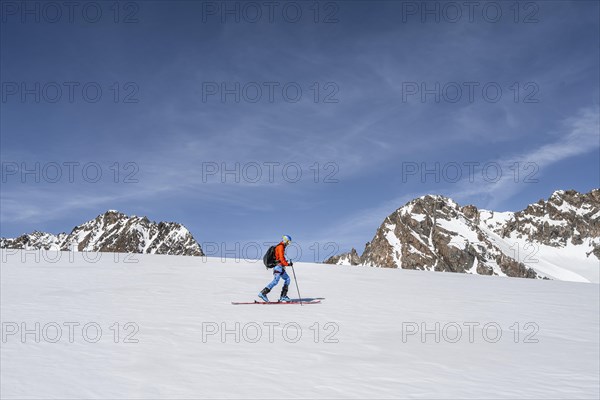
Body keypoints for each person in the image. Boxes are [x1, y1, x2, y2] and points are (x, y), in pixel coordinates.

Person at [259, 235, 293, 302]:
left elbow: (281, 258)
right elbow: (281, 258)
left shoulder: (281, 247)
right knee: (275, 281)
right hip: (278, 267)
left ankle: (283, 296)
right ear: (285, 240)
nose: (288, 244)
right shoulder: (280, 247)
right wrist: (287, 264)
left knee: (287, 279)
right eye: (288, 242)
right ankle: (263, 293)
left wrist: (286, 263)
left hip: (280, 267)